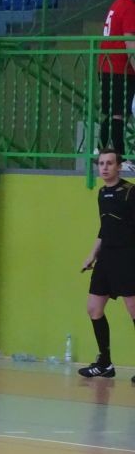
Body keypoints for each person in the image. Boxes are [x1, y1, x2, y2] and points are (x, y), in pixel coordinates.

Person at [78, 148, 135, 379]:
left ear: (119, 166)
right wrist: (92, 255)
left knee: (133, 310)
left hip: (128, 257)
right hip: (106, 258)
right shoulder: (102, 193)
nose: (104, 167)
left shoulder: (130, 192)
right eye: (101, 163)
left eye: (109, 163)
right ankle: (105, 363)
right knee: (94, 308)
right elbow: (105, 228)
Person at [99, 0, 135, 169]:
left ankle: (102, 151)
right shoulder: (129, 6)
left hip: (108, 66)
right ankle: (119, 158)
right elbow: (130, 41)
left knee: (115, 112)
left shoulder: (119, 3)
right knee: (119, 113)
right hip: (120, 68)